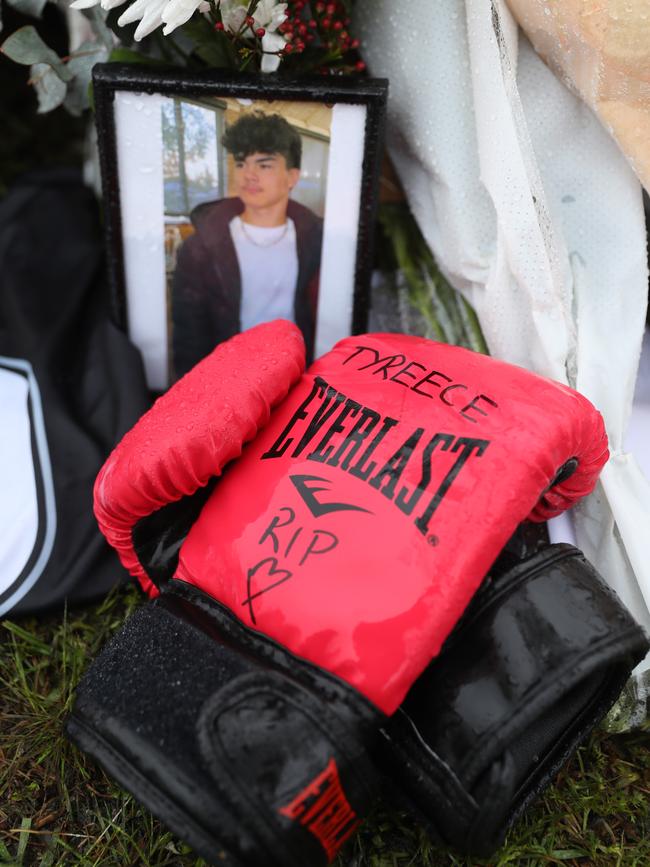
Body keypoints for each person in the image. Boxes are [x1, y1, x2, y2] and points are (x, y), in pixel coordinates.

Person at [171, 111, 323, 379]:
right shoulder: (201, 249)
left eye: (264, 165)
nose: (249, 175)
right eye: (241, 164)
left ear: (292, 177)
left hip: (296, 375)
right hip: (229, 378)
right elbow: (189, 337)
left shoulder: (315, 240)